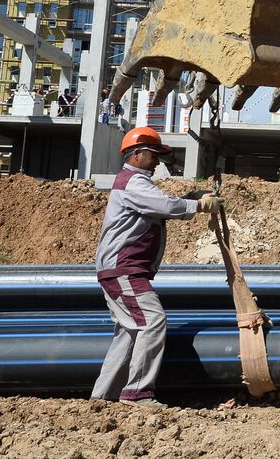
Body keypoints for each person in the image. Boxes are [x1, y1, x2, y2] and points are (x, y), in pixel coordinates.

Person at [91, 126, 222, 405]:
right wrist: (198, 206)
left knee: (129, 333)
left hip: (121, 270)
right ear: (136, 154)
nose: (159, 161)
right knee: (153, 321)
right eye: (154, 154)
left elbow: (158, 205)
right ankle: (137, 394)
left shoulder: (135, 183)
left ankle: (103, 398)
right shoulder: (133, 183)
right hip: (124, 268)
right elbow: (164, 207)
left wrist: (191, 198)